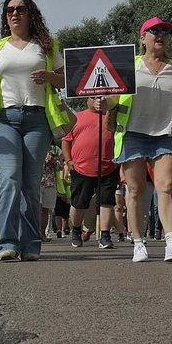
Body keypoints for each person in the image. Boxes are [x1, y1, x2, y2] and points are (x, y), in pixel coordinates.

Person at [0, 0, 73, 261]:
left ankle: (31, 244)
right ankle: (6, 243)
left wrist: (50, 76)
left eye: (20, 9)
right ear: (5, 16)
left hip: (37, 119)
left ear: (30, 14)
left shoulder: (46, 45)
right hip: (4, 118)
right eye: (9, 10)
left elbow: (67, 79)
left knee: (31, 184)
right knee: (9, 179)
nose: (14, 13)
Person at [106, 17, 172, 263]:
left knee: (166, 188)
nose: (160, 35)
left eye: (165, 31)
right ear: (142, 37)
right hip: (132, 133)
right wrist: (105, 100)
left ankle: (170, 241)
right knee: (135, 191)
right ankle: (138, 243)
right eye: (153, 31)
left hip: (166, 134)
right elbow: (114, 99)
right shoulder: (128, 65)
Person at [61, 97, 118, 249]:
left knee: (107, 202)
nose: (97, 101)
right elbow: (66, 140)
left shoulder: (112, 117)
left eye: (101, 98)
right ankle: (76, 231)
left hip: (108, 167)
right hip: (81, 168)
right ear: (87, 100)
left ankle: (105, 235)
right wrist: (68, 161)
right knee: (79, 203)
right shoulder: (76, 118)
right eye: (93, 98)